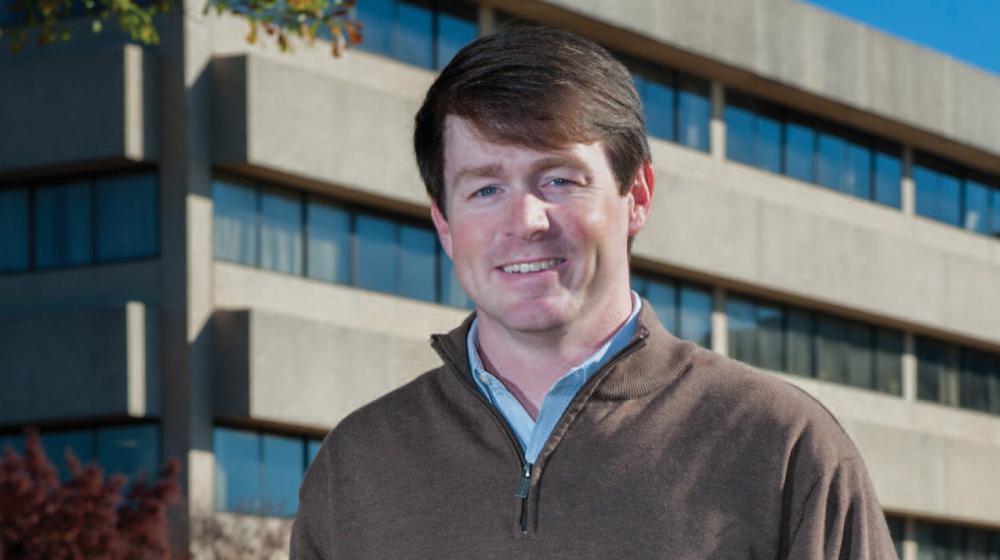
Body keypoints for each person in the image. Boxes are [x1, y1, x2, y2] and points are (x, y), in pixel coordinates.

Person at [291, 25, 897, 559]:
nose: (525, 220)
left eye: (559, 179)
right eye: (484, 189)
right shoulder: (355, 467)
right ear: (444, 225)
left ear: (636, 197)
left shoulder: (784, 448)